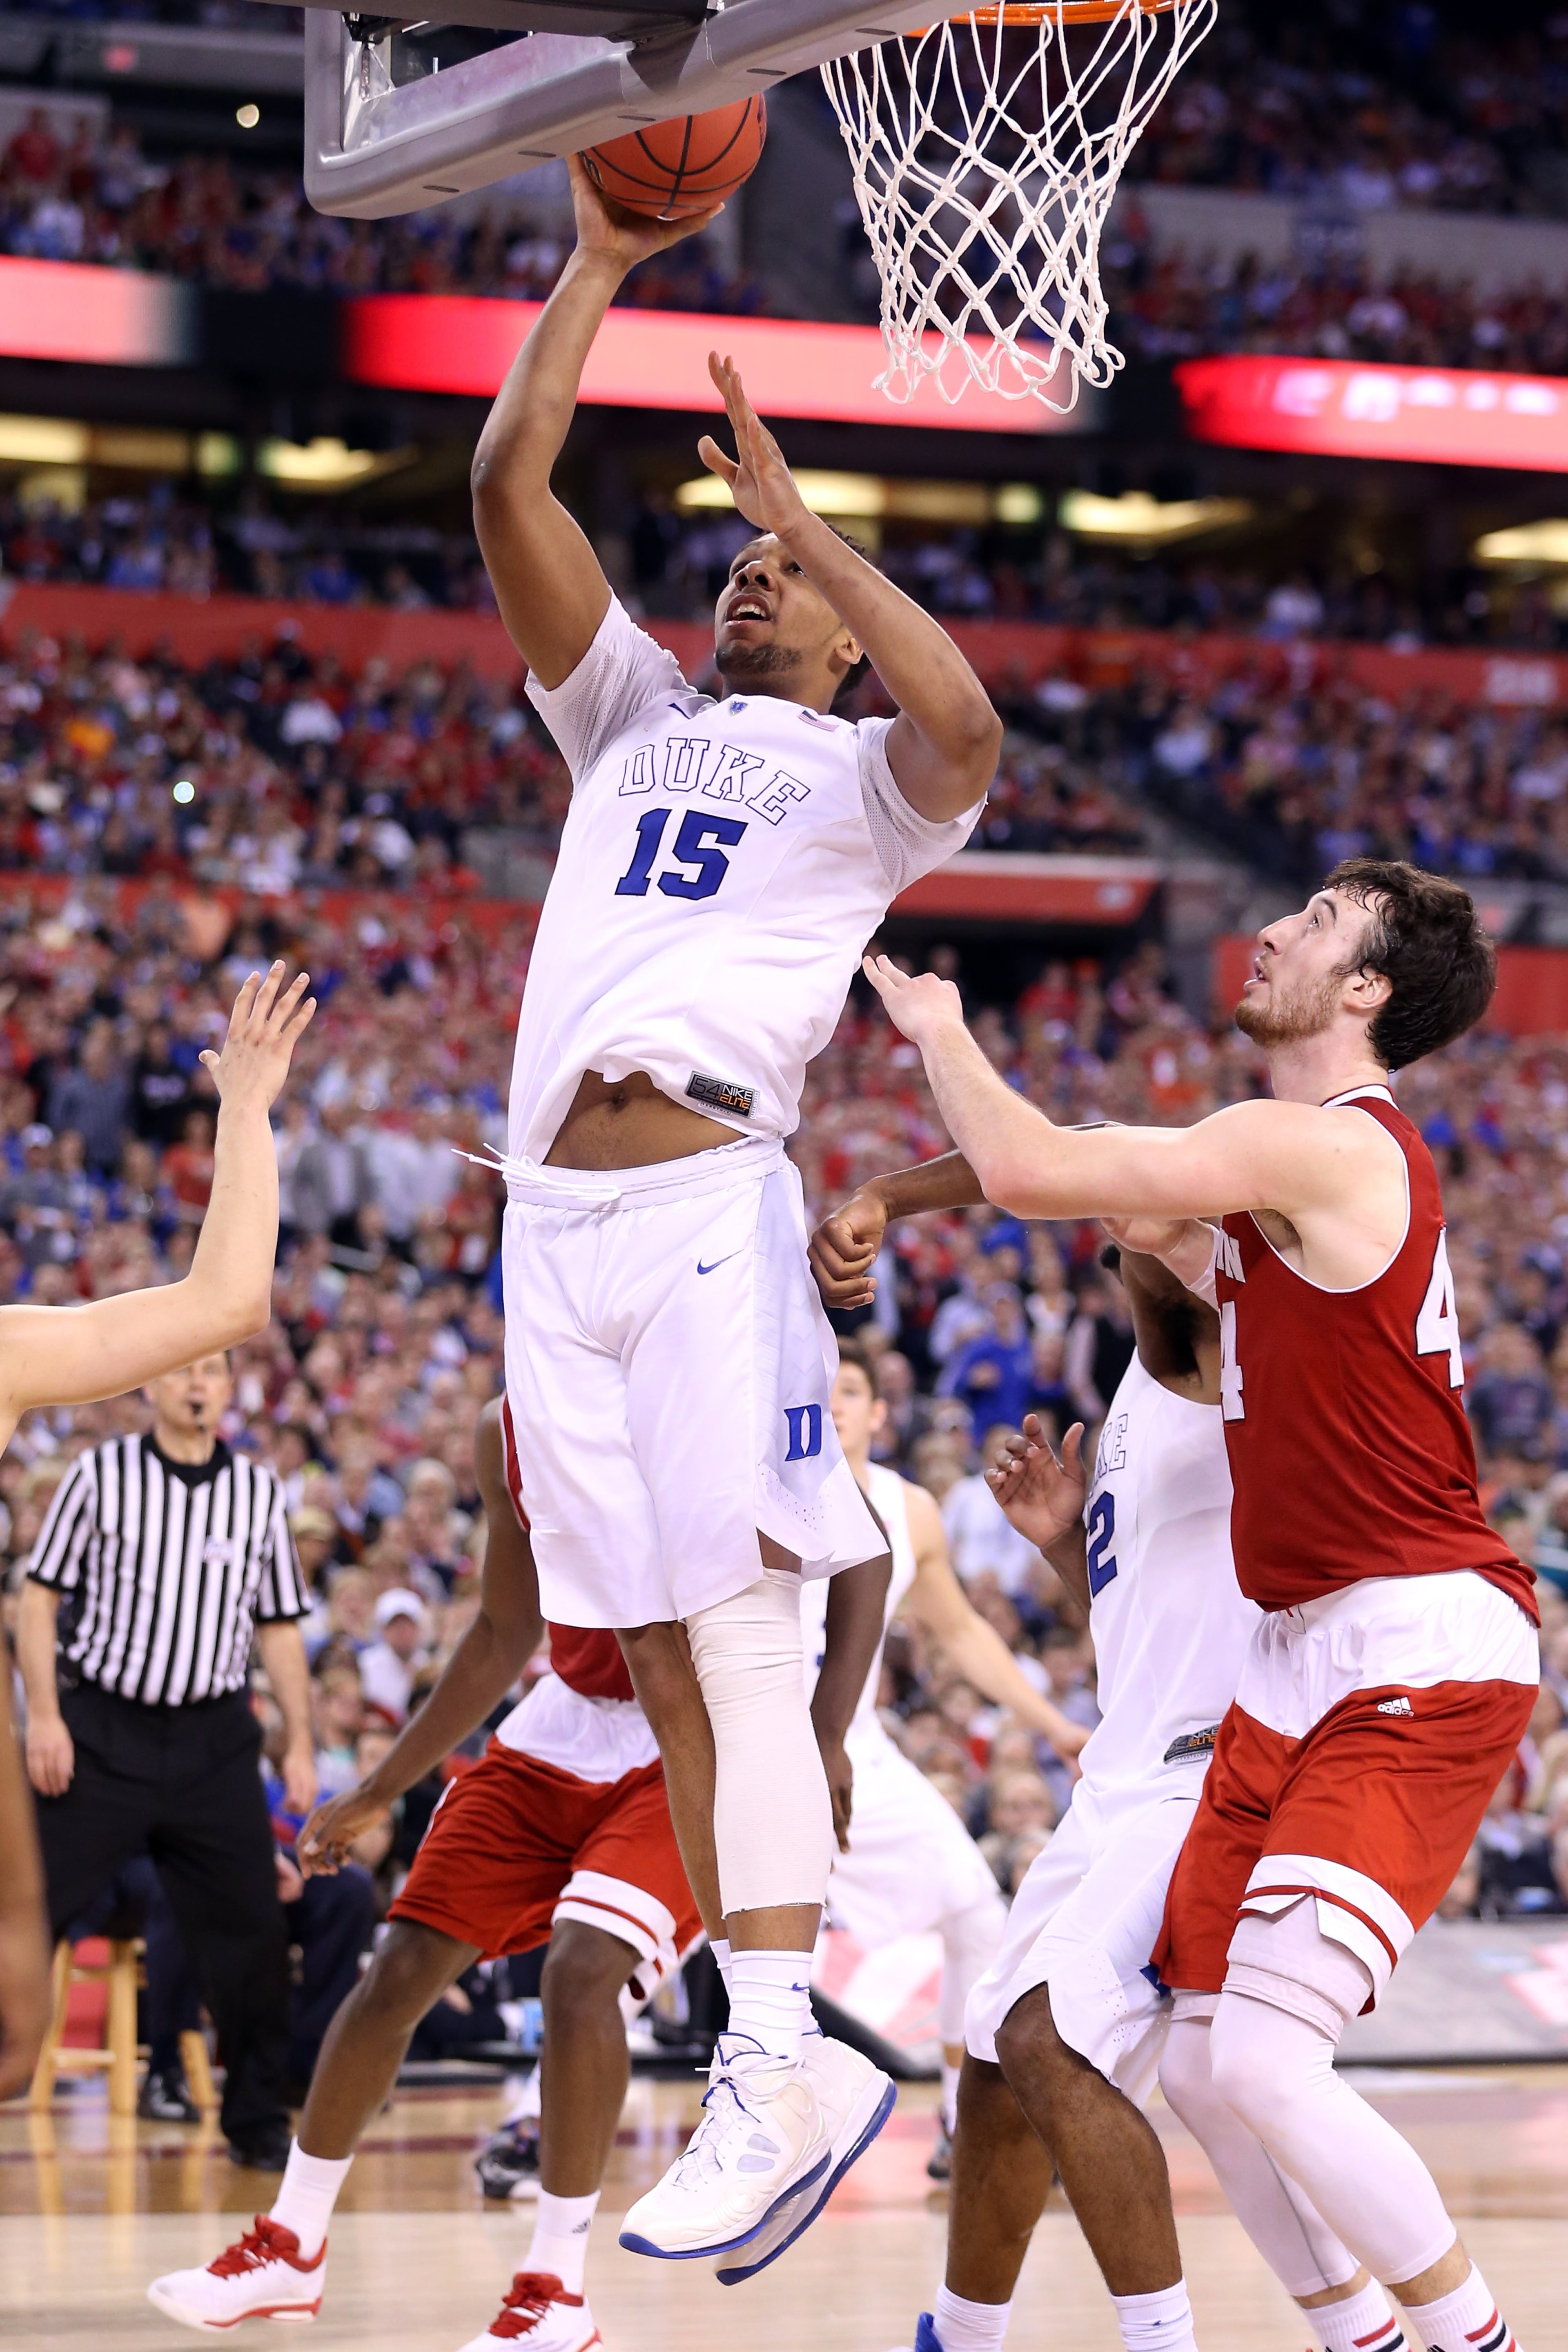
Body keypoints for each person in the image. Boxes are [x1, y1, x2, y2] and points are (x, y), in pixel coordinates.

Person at [470, 153, 998, 2258]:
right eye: (736, 570)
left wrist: (815, 521)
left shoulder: (865, 779)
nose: (742, 588)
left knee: (741, 1639)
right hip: (550, 1228)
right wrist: (599, 258)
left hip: (709, 1204)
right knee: (667, 1672)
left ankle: (774, 2051)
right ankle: (752, 2044)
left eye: (772, 583)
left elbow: (964, 722)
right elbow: (512, 491)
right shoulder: (626, 719)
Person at [840, 861, 1537, 2352]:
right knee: (1216, 2070)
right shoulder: (1255, 1189)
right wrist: (894, 1195)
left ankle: (1474, 2340)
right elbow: (1076, 1168)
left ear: (1365, 993)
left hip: (1414, 1630)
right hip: (1291, 1661)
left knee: (1269, 2069)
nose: (1273, 927)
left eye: (1320, 922)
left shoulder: (1332, 1147)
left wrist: (939, 1028)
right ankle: (1359, 2334)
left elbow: (1035, 1167)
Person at [147, 1395, 894, 2344]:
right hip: (565, 1721)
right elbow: (503, 1632)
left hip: (701, 1738)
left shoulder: (710, 1381)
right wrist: (382, 1787)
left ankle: (557, 2292)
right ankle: (291, 2246)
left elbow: (867, 1552)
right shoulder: (507, 1425)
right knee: (401, 1968)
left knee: (581, 1976)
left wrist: (827, 1734)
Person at [2, 962, 313, 2149]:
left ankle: (255, 2120)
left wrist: (245, 1110)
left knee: (14, 2031)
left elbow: (228, 1301)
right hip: (99, 1726)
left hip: (192, 1737)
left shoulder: (9, 1353)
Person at [796, 1337, 1092, 2194]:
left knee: (975, 1913)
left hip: (854, 1749)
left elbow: (960, 1633)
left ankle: (965, 2120)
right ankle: (533, 2116)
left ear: (879, 1412)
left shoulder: (908, 1507)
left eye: (851, 1388)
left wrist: (1053, 1727)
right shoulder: (760, 1482)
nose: (837, 1401)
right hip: (751, 1748)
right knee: (653, 1942)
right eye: (822, 1389)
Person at [18, 1347, 316, 2168]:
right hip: (100, 1733)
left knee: (254, 1930)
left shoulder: (258, 1492)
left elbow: (280, 1627)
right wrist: (44, 1715)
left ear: (229, 1389)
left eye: (212, 1372)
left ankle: (256, 2119)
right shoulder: (100, 1477)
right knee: (27, 1913)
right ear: (152, 1383)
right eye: (182, 1370)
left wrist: (301, 1743)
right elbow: (38, 1603)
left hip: (213, 1739)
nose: (196, 1385)